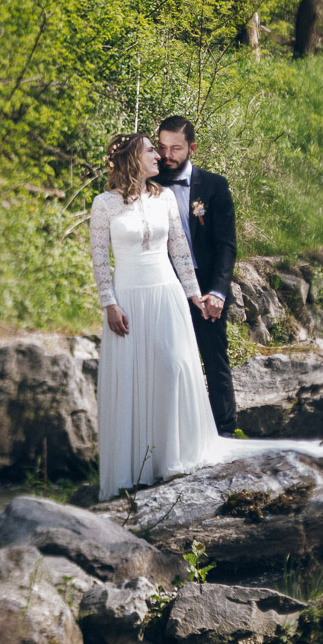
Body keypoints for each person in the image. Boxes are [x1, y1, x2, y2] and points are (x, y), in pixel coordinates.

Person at [89, 131, 221, 500]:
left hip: (167, 295)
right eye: (151, 150)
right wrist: (109, 303)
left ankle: (173, 457)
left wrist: (194, 295)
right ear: (133, 158)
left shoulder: (162, 198)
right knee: (133, 377)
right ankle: (138, 467)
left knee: (173, 366)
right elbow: (100, 259)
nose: (159, 156)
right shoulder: (104, 204)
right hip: (128, 299)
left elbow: (179, 249)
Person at [156, 115, 237, 435]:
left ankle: (226, 430)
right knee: (170, 361)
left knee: (213, 357)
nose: (167, 155)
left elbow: (226, 245)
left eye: (176, 148)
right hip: (166, 283)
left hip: (205, 286)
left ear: (192, 148)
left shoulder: (215, 186)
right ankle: (179, 434)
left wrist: (218, 292)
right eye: (162, 148)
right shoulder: (150, 182)